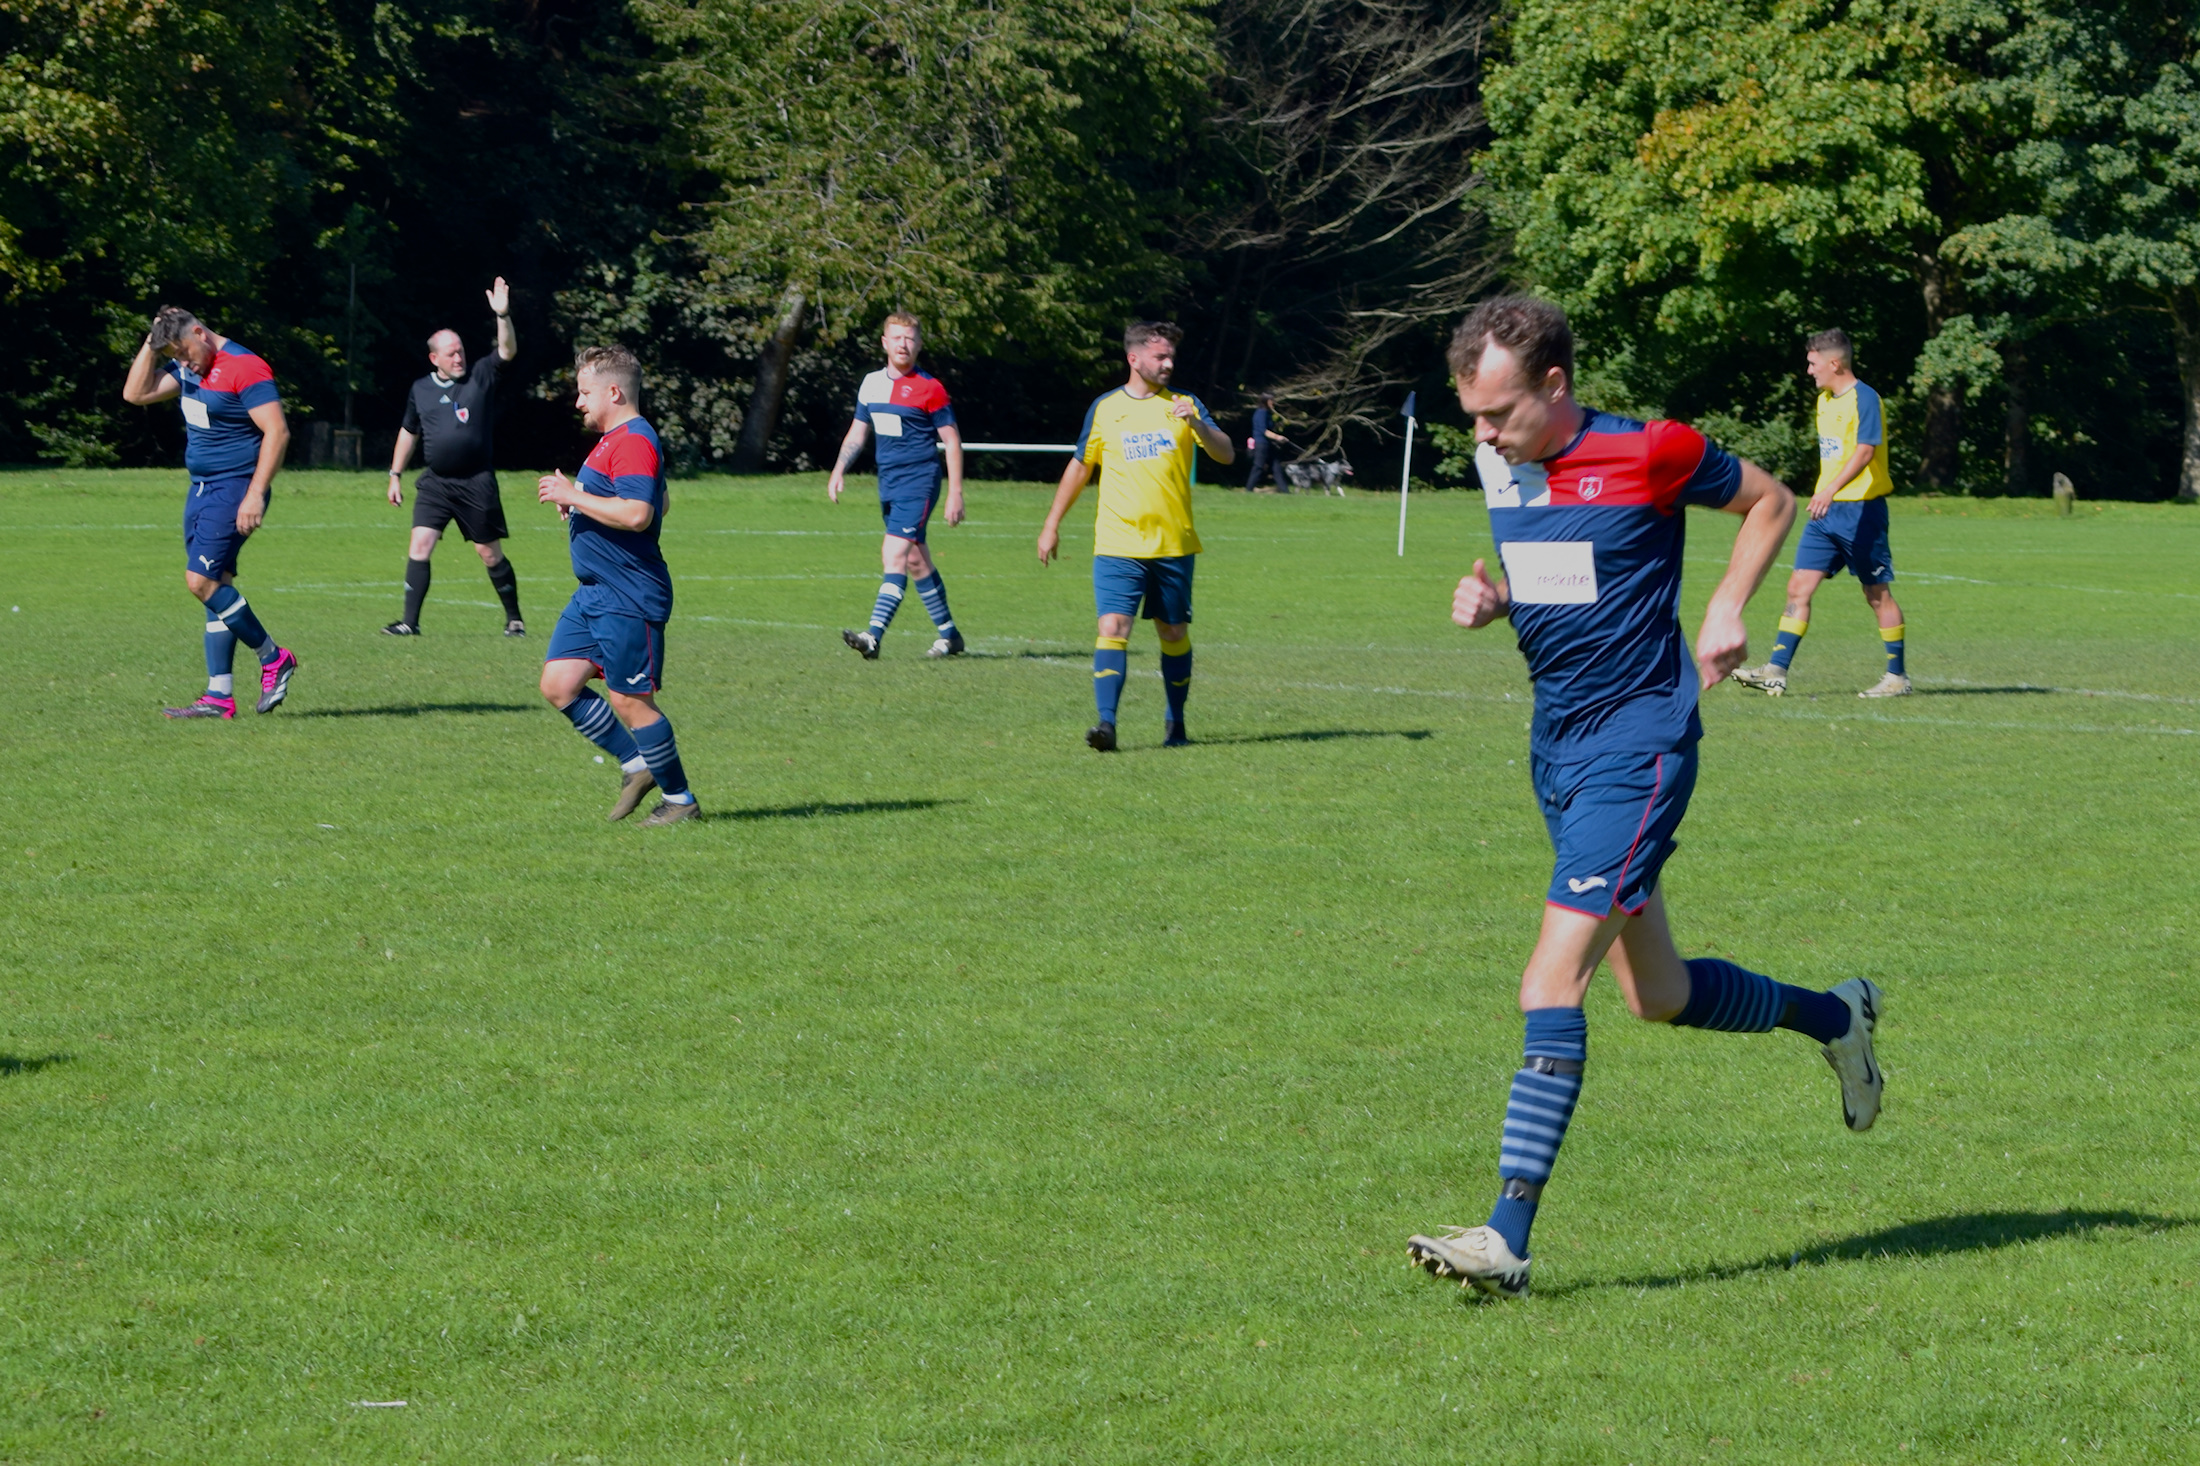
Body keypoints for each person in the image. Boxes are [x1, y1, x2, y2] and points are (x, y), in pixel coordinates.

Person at [1406, 296, 1883, 1300]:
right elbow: (1565, 576)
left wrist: (1721, 606)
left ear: (1553, 385)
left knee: (1549, 981)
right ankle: (1834, 1017)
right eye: (1471, 419)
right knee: (1655, 993)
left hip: (1640, 749)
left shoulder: (1649, 449)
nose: (1483, 438)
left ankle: (1507, 1235)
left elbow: (1770, 500)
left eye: (1498, 414)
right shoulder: (1501, 461)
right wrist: (1497, 603)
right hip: (1556, 745)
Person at [1037, 321, 1234, 751]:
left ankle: (1176, 724)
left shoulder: (1185, 404)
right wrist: (1052, 524)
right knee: (1113, 625)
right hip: (1118, 543)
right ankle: (1106, 725)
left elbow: (1226, 453)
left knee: (1173, 633)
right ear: (1134, 358)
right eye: (1160, 356)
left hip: (1174, 544)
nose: (1168, 364)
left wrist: (1198, 425)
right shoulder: (1106, 408)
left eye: (1171, 358)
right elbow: (1079, 466)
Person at [536, 345, 698, 826]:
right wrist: (582, 500)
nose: (579, 402)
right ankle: (636, 764)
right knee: (558, 684)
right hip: (595, 593)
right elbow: (660, 499)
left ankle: (681, 800)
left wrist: (574, 495)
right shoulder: (615, 440)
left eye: (585, 392)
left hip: (628, 593)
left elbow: (639, 512)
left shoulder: (632, 439)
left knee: (630, 700)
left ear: (613, 391)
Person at [121, 307, 302, 719]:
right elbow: (135, 394)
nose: (183, 363)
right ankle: (219, 695)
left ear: (200, 333)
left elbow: (278, 431)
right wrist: (152, 345)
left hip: (235, 488)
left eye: (184, 352)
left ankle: (274, 657)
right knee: (216, 585)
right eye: (175, 356)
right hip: (200, 490)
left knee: (200, 581)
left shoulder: (245, 366)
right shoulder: (188, 367)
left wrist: (255, 495)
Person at [1730, 328, 1910, 698]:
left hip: (1861, 512)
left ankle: (1897, 678)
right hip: (1824, 513)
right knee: (1798, 587)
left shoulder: (1865, 398)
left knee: (1877, 595)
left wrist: (1829, 489)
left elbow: (1864, 452)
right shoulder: (1825, 400)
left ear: (1835, 362)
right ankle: (1776, 670)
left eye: (1813, 364)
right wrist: (1824, 493)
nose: (1809, 370)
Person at [383, 278, 524, 636]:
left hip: (476, 482)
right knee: (420, 544)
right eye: (451, 353)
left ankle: (514, 619)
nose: (459, 357)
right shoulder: (420, 389)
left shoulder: (480, 377)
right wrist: (395, 474)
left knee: (488, 554)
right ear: (435, 358)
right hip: (436, 484)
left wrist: (502, 315)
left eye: (460, 350)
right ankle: (409, 623)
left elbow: (506, 352)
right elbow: (409, 431)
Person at [828, 313, 967, 658]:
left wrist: (956, 492)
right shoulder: (871, 383)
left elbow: (951, 441)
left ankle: (872, 637)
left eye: (910, 338)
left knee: (894, 554)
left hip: (919, 481)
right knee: (917, 561)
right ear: (885, 343)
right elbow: (858, 432)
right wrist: (838, 469)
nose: (903, 344)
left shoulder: (930, 388)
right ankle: (950, 636)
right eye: (897, 338)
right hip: (888, 482)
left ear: (919, 344)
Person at [1244, 392, 1288, 493]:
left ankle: (1286, 492)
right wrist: (1278, 437)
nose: (1273, 403)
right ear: (1266, 401)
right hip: (1261, 444)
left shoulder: (1267, 413)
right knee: (1258, 467)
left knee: (1276, 467)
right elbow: (1264, 431)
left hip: (1268, 444)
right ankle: (1248, 489)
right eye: (1271, 400)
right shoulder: (1261, 413)